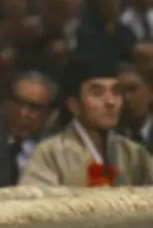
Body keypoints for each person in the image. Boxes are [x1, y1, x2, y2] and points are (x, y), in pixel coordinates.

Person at [20, 55, 153, 187]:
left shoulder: (134, 154)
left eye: (116, 91)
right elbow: (34, 203)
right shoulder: (50, 153)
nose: (111, 101)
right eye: (97, 93)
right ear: (74, 104)